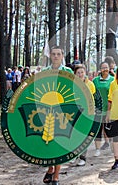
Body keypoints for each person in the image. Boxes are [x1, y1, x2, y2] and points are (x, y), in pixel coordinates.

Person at [42, 46, 73, 185]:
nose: (55, 56)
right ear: (50, 56)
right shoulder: (44, 72)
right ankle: (50, 168)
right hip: (46, 110)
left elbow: (74, 90)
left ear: (62, 56)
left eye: (58, 54)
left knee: (60, 143)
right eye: (53, 54)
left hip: (63, 112)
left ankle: (56, 175)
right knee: (48, 142)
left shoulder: (68, 72)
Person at [73, 64, 96, 166]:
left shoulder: (90, 84)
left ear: (85, 73)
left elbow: (93, 99)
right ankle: (74, 155)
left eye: (82, 72)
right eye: (78, 73)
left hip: (86, 113)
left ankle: (83, 157)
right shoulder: (72, 84)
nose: (80, 74)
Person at [93, 62, 114, 152]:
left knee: (108, 127)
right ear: (100, 69)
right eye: (103, 67)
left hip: (110, 107)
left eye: (106, 67)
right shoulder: (95, 80)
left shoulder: (113, 80)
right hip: (98, 107)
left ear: (109, 68)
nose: (105, 69)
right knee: (98, 127)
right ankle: (99, 147)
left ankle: (110, 143)